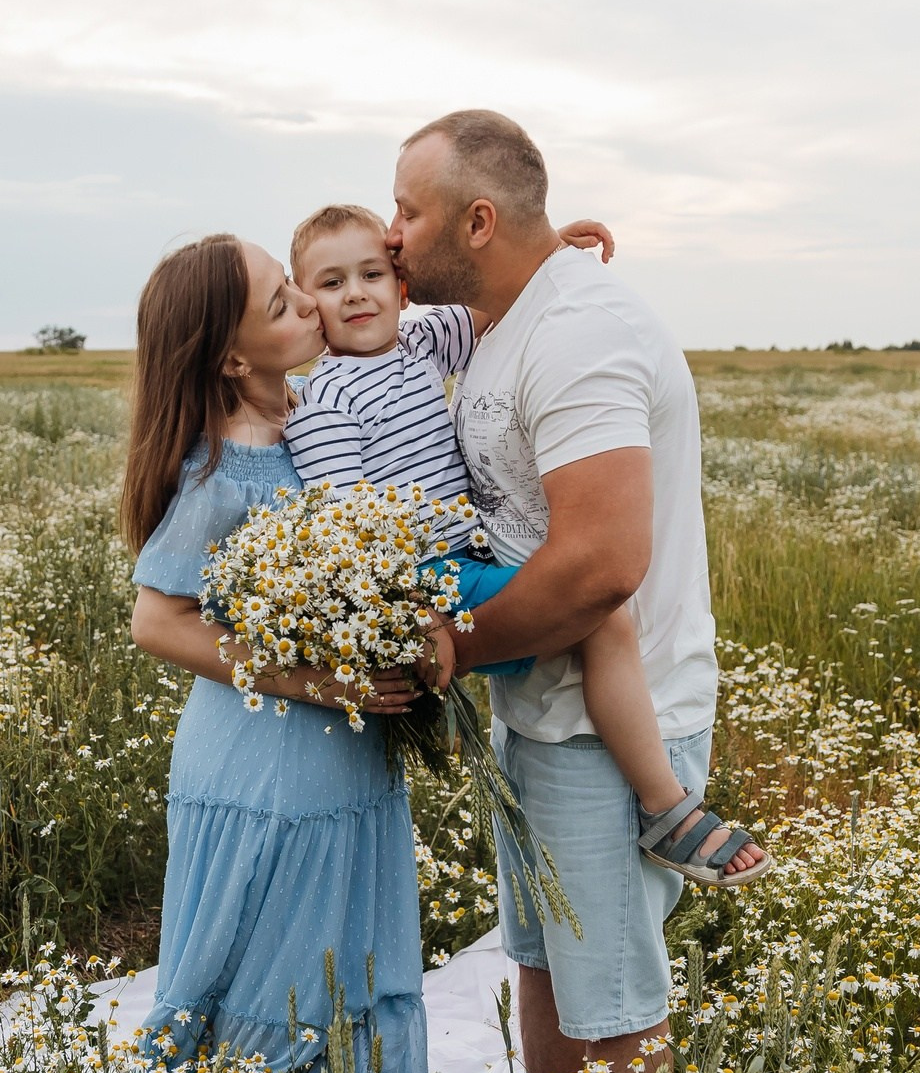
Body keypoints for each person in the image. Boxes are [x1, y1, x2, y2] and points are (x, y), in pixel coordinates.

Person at [387, 110, 761, 1073]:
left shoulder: (581, 330)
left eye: (409, 213)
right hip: (542, 710)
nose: (395, 235)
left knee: (614, 1005)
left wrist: (447, 657)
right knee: (546, 970)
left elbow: (600, 564)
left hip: (611, 723)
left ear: (480, 220)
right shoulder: (505, 314)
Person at [281, 204, 764, 890]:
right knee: (600, 617)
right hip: (429, 578)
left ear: (402, 286)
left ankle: (655, 798)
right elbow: (345, 529)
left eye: (371, 274)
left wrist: (553, 244)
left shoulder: (420, 341)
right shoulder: (325, 400)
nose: (356, 293)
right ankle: (666, 807)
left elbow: (497, 297)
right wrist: (415, 617)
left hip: (470, 561)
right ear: (307, 303)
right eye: (331, 284)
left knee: (586, 610)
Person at [120, 232, 434, 1073]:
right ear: (229, 355)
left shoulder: (317, 414)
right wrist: (318, 683)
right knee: (267, 973)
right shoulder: (217, 472)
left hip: (345, 761)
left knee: (353, 966)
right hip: (263, 767)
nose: (309, 303)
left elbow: (422, 329)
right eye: (279, 300)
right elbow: (156, 621)